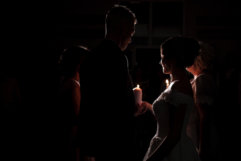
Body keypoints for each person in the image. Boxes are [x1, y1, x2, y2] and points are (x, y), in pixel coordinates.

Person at [77, 5, 143, 161]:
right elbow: (117, 104)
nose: (130, 38)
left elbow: (89, 100)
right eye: (131, 33)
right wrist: (133, 109)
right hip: (114, 143)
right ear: (124, 28)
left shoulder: (90, 57)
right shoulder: (117, 57)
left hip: (93, 140)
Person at [138, 36, 200, 161]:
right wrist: (148, 106)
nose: (160, 63)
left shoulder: (180, 86)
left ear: (172, 60)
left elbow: (175, 135)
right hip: (164, 143)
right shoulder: (176, 83)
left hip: (173, 150)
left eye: (162, 58)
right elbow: (168, 116)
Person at [185, 41, 221, 161]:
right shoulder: (198, 79)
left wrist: (203, 147)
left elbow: (204, 116)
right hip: (193, 133)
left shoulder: (202, 80)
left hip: (199, 135)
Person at [58, 45, 88, 161]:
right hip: (74, 135)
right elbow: (77, 115)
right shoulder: (72, 85)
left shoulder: (72, 82)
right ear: (77, 64)